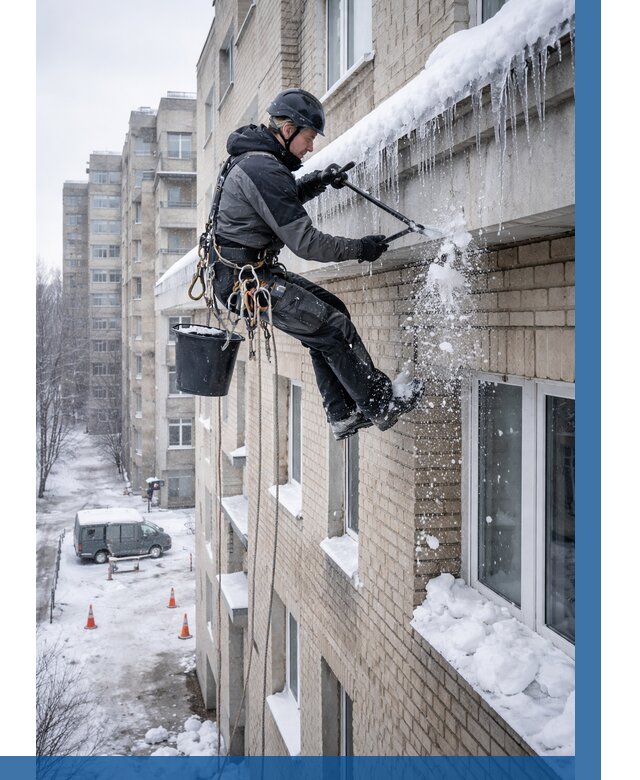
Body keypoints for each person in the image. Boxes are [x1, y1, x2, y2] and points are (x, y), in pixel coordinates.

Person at [210, 88, 423, 440]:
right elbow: (306, 242)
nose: (310, 148)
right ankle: (380, 404)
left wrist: (318, 181)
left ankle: (343, 412)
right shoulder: (263, 167)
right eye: (308, 138)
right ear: (289, 129)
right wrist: (361, 248)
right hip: (243, 281)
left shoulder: (257, 160)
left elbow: (276, 198)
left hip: (246, 273)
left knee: (330, 314)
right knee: (332, 328)